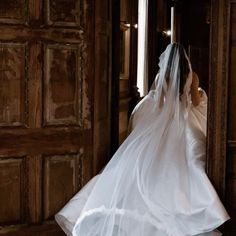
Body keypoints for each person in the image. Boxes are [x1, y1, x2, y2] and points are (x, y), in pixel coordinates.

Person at [55, 43, 230, 236]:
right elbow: (196, 102)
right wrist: (186, 99)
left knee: (139, 163)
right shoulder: (193, 76)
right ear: (185, 61)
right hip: (183, 121)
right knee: (189, 158)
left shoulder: (162, 76)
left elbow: (159, 103)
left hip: (164, 123)